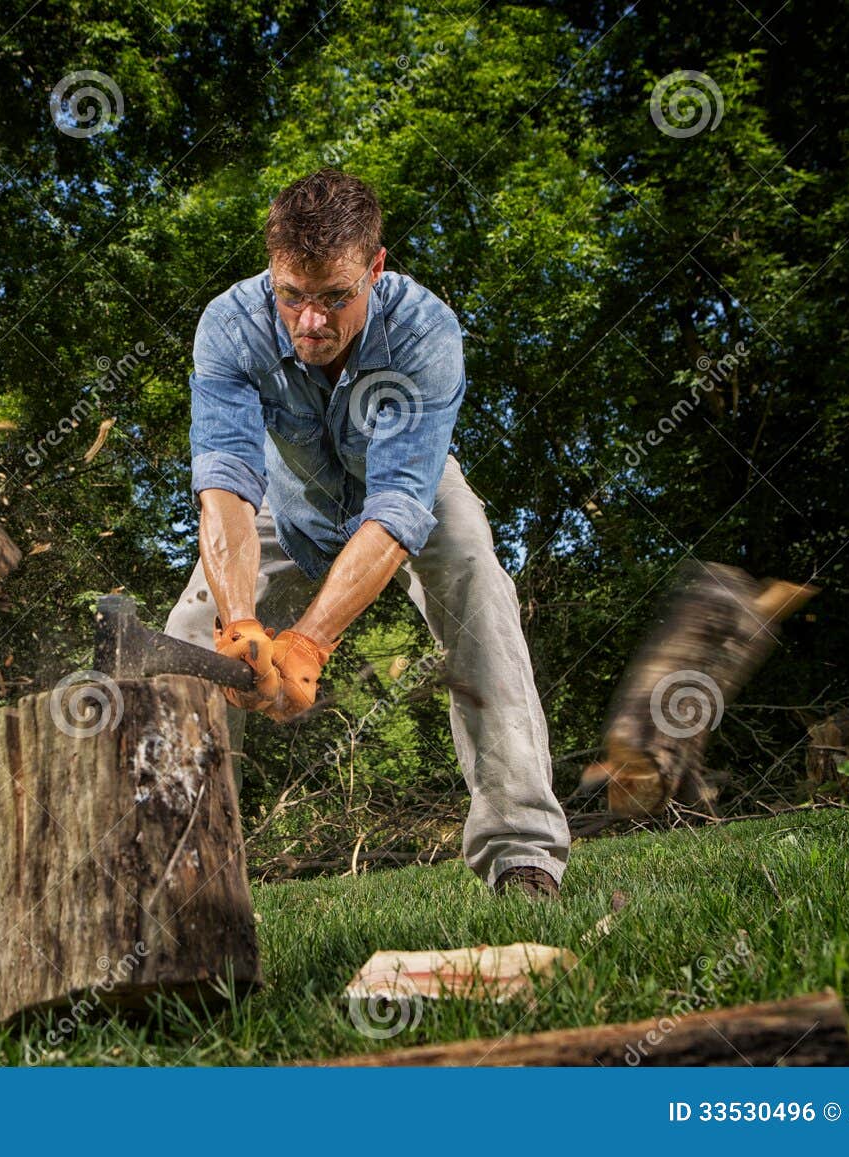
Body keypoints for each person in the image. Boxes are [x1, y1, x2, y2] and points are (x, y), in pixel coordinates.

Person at [162, 169, 570, 899]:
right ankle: (178, 874)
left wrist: (310, 642)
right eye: (292, 295)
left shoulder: (424, 330)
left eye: (334, 297)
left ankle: (523, 855)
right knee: (191, 633)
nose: (310, 321)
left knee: (478, 579)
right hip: (286, 503)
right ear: (272, 271)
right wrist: (244, 624)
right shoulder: (229, 325)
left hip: (408, 489)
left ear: (375, 269)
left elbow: (399, 508)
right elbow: (224, 485)